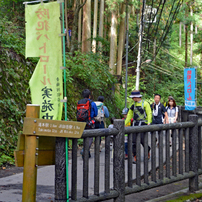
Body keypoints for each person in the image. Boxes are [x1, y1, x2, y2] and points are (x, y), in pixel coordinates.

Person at [125, 90, 152, 163]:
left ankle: (147, 150)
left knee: (143, 140)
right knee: (133, 141)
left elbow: (149, 113)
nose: (132, 99)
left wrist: (149, 122)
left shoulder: (145, 104)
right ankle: (135, 156)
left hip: (143, 123)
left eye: (133, 97)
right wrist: (125, 123)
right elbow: (129, 115)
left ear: (136, 97)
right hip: (135, 124)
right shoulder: (133, 105)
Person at [77, 89, 98, 158]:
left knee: (84, 137)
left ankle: (87, 152)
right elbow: (96, 113)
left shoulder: (79, 102)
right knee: (90, 137)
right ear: (89, 95)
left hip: (81, 122)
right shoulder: (92, 103)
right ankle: (84, 150)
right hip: (89, 122)